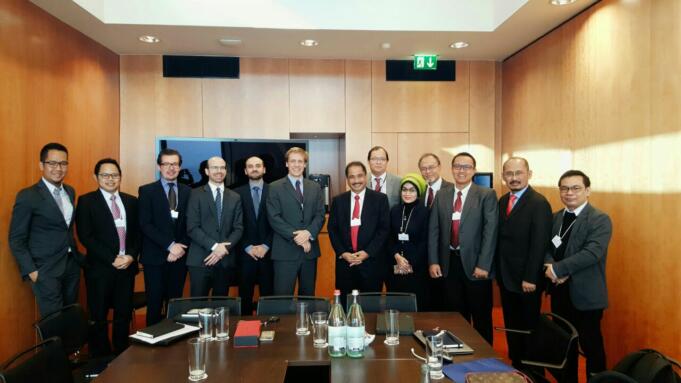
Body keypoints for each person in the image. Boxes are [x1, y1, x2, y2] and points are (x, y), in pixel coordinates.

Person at [545, 170, 612, 382]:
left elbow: (592, 253)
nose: (569, 193)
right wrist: (550, 267)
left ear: (587, 190)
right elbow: (546, 248)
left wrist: (559, 270)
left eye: (575, 188)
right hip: (559, 292)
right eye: (564, 188)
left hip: (587, 296)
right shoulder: (555, 217)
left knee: (592, 346)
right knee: (565, 344)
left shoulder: (600, 219)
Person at [428, 152, 497, 344]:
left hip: (476, 266)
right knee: (456, 316)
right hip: (449, 263)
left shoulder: (486, 194)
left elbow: (490, 232)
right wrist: (433, 261)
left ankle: (485, 360)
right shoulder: (442, 195)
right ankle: (459, 354)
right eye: (457, 166)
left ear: (474, 170)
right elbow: (434, 230)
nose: (461, 170)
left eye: (466, 167)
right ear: (451, 169)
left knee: (481, 315)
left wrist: (484, 264)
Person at [9, 143, 84, 317]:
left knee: (71, 317)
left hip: (70, 265)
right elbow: (16, 238)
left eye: (63, 163)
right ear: (41, 165)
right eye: (52, 163)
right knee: (53, 323)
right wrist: (32, 271)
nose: (58, 168)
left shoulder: (70, 192)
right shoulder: (28, 196)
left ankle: (71, 346)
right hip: (45, 270)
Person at [76, 158, 140, 356]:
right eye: (105, 175)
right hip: (100, 269)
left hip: (126, 268)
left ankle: (121, 353)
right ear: (96, 177)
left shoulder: (131, 201)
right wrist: (112, 258)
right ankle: (100, 357)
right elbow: (86, 236)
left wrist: (130, 255)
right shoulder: (86, 201)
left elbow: (138, 233)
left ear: (120, 177)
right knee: (99, 316)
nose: (110, 179)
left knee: (123, 314)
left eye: (115, 175)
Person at [496, 157, 552, 371]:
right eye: (509, 174)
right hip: (506, 276)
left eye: (519, 173)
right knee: (512, 323)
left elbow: (539, 243)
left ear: (529, 174)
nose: (514, 178)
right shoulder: (503, 201)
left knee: (529, 326)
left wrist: (530, 276)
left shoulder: (538, 202)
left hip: (527, 279)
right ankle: (516, 362)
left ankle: (533, 369)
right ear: (503, 176)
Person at [138, 148, 191, 326]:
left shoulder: (188, 191)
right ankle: (152, 346)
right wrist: (170, 246)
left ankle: (174, 343)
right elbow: (145, 224)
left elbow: (191, 224)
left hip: (180, 257)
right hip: (155, 257)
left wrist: (179, 247)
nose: (171, 168)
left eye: (174, 164)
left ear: (180, 166)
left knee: (175, 304)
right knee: (154, 304)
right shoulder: (146, 191)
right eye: (166, 164)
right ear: (159, 166)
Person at [327, 161, 390, 308]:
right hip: (345, 264)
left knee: (371, 307)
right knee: (345, 305)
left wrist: (367, 252)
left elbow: (384, 229)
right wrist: (343, 252)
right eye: (352, 177)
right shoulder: (338, 201)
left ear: (366, 176)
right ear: (347, 179)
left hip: (371, 264)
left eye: (360, 176)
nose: (356, 181)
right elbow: (332, 229)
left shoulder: (380, 199)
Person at [266, 147, 325, 296]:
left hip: (309, 252)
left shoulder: (315, 187)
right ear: (286, 163)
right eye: (293, 161)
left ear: (305, 164)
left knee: (308, 296)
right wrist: (297, 237)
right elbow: (274, 218)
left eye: (300, 161)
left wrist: (308, 233)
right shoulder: (274, 187)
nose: (297, 165)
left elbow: (320, 215)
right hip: (285, 253)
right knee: (282, 298)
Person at [186, 156, 243, 296]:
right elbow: (192, 227)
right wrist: (215, 247)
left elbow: (239, 228)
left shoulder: (235, 197)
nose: (219, 171)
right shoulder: (194, 194)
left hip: (225, 260)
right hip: (200, 260)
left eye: (222, 167)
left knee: (221, 307)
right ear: (207, 171)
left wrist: (223, 249)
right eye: (214, 167)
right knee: (197, 307)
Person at [234, 156, 274, 315]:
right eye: (250, 166)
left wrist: (266, 245)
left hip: (269, 253)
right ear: (245, 171)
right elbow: (234, 224)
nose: (254, 168)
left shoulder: (275, 191)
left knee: (269, 298)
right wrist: (247, 246)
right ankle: (244, 331)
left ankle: (270, 330)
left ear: (264, 169)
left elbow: (279, 222)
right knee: (244, 297)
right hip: (245, 253)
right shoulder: (235, 194)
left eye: (258, 165)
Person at [387, 173, 431, 309]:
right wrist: (397, 257)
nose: (407, 193)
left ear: (418, 193)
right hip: (395, 266)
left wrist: (408, 263)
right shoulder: (394, 210)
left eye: (412, 190)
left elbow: (425, 241)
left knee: (416, 306)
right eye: (404, 190)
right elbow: (389, 237)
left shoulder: (425, 212)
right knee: (396, 306)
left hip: (417, 269)